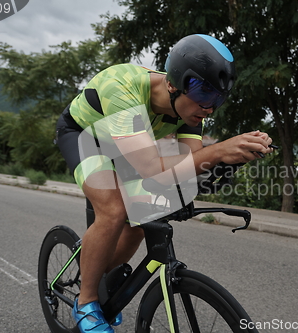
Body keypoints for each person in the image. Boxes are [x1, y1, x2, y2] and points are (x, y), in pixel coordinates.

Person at [55, 34, 273, 333]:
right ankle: (86, 300)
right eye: (204, 94)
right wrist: (220, 149)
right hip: (84, 136)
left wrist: (232, 158)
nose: (209, 107)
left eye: (217, 99)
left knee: (142, 215)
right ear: (173, 83)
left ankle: (97, 273)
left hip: (125, 146)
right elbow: (151, 166)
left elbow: (190, 163)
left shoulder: (192, 108)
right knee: (114, 211)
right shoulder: (122, 86)